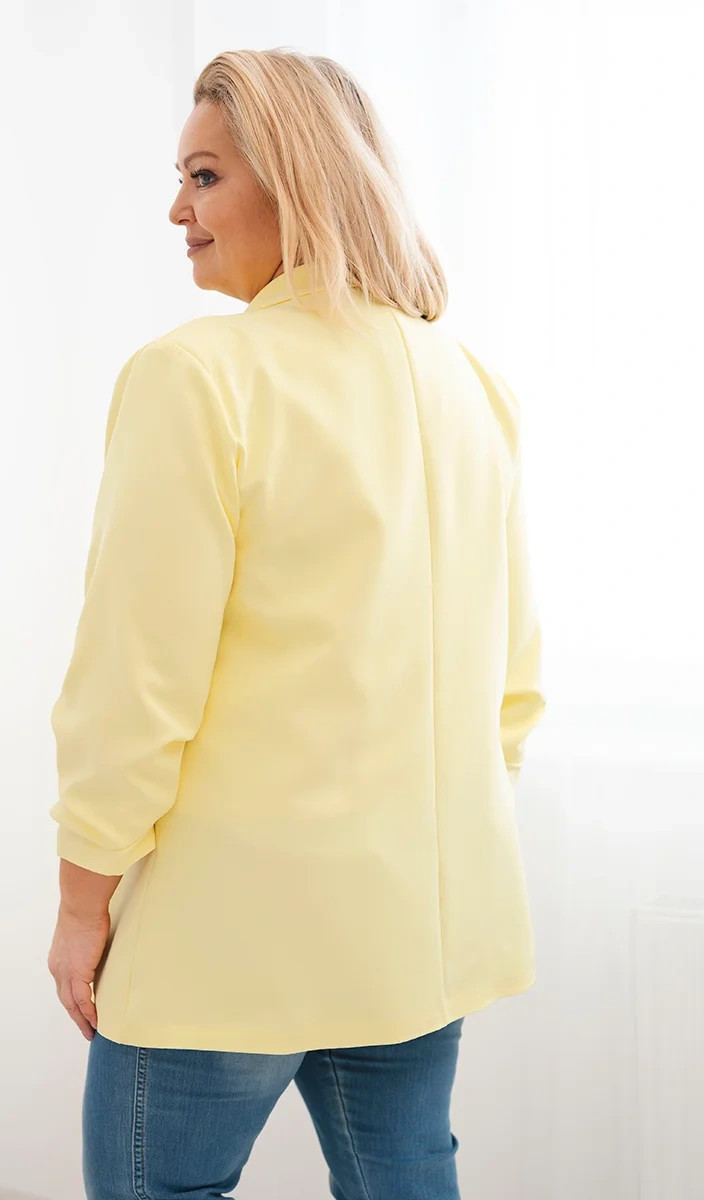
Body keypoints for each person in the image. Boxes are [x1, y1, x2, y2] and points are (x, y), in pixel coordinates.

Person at [46, 46, 547, 1200]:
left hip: (230, 927)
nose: (177, 211)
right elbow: (510, 687)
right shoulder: (468, 383)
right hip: (412, 929)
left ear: (297, 179)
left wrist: (82, 905)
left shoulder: (197, 377)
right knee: (403, 1178)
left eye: (205, 176)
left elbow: (134, 684)